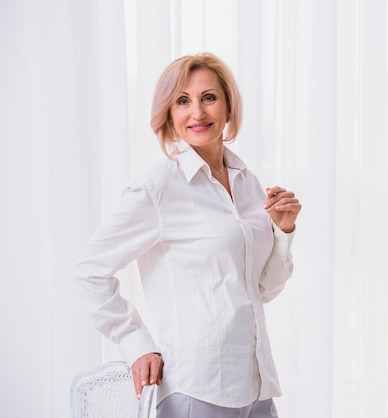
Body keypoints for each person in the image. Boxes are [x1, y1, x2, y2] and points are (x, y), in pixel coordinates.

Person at [75, 52, 301, 418]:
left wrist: (283, 230)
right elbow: (90, 271)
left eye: (208, 98)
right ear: (169, 114)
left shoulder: (248, 183)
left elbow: (262, 290)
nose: (197, 112)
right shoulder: (157, 188)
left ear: (228, 107)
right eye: (183, 101)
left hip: (257, 386)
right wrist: (137, 345)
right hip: (198, 387)